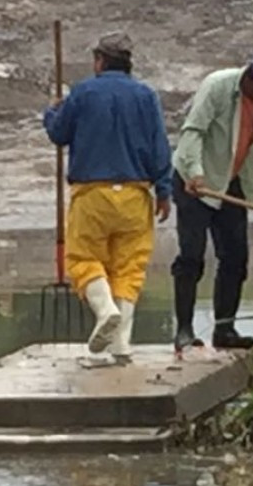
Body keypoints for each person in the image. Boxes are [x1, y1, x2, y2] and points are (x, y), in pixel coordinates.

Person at [43, 32, 172, 361]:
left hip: (92, 195)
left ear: (99, 62)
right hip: (136, 195)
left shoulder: (83, 92)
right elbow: (160, 146)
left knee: (83, 258)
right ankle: (121, 345)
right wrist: (164, 190)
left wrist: (53, 109)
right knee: (129, 268)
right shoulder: (146, 96)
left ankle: (104, 312)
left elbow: (59, 134)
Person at [171, 50, 253, 352]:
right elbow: (193, 132)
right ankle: (185, 331)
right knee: (192, 256)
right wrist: (196, 173)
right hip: (194, 182)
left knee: (236, 258)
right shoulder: (217, 86)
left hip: (231, 182)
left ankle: (225, 329)